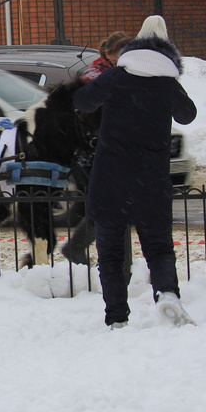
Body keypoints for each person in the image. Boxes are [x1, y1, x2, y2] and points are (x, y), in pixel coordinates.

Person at [73, 15, 197, 328]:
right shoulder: (167, 83)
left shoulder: (117, 77)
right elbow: (188, 115)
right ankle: (167, 294)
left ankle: (117, 317)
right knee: (159, 248)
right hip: (151, 180)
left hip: (110, 178)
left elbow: (83, 102)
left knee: (111, 254)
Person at [62, 31, 130, 265]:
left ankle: (110, 257)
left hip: (106, 149)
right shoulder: (96, 75)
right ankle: (84, 250)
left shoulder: (115, 74)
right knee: (108, 204)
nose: (122, 59)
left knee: (112, 205)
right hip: (90, 151)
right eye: (119, 55)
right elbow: (87, 106)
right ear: (108, 53)